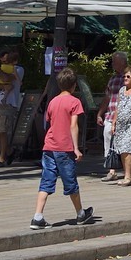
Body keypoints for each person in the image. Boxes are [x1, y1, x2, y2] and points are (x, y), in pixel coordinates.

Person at [30, 66, 95, 229]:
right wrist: (76, 148)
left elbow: (49, 122)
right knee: (70, 181)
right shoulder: (74, 102)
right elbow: (74, 126)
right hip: (64, 148)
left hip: (49, 146)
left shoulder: (53, 102)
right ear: (74, 85)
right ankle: (80, 214)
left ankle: (37, 216)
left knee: (46, 181)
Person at [0, 49, 24, 167]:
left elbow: (9, 79)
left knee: (3, 130)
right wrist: (1, 84)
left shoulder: (18, 69)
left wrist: (3, 74)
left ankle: (2, 158)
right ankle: (9, 150)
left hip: (9, 103)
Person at [97, 52, 127, 182]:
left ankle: (129, 169)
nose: (113, 64)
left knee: (125, 143)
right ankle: (112, 170)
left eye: (115, 61)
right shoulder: (113, 79)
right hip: (110, 114)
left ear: (122, 62)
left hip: (124, 116)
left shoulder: (129, 77)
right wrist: (100, 113)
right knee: (108, 137)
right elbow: (107, 97)